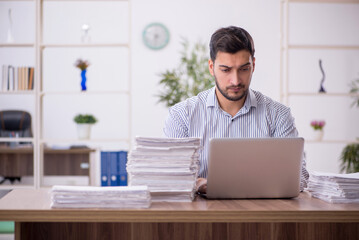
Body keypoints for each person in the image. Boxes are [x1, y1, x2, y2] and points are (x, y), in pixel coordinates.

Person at [163, 26, 309, 194]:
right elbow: (171, 177)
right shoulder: (182, 115)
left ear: (253, 65)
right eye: (226, 70)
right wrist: (198, 184)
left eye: (244, 69)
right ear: (211, 67)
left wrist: (229, 186)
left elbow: (299, 178)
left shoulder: (278, 115)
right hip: (201, 216)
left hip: (263, 214)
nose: (235, 80)